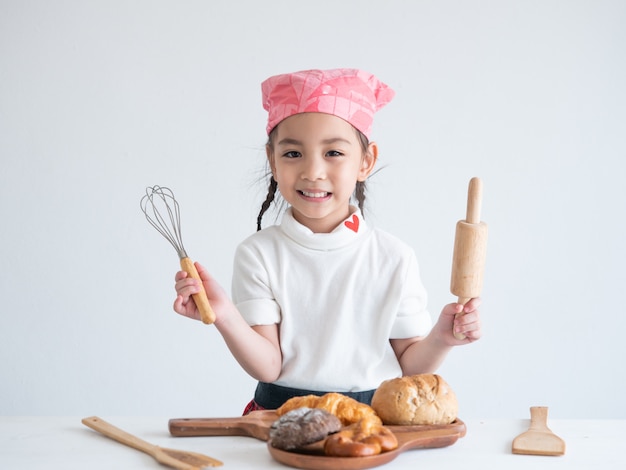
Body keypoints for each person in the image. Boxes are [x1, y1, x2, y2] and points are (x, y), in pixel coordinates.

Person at [173, 68, 482, 414]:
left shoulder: (394, 257)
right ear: (272, 162)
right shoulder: (258, 254)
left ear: (365, 162)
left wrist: (443, 337)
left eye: (333, 153)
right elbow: (268, 367)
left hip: (374, 420)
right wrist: (224, 314)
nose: (313, 171)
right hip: (278, 418)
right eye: (293, 154)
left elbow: (410, 366)